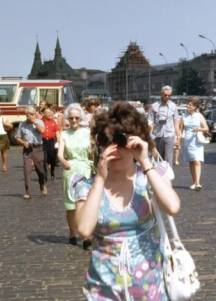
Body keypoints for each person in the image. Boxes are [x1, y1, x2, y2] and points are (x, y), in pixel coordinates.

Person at [70, 102, 180, 300]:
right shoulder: (88, 186)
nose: (113, 149)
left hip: (150, 290)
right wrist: (100, 179)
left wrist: (145, 162)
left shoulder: (149, 177)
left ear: (136, 141)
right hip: (103, 291)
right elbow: (84, 230)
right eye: (105, 140)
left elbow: (172, 207)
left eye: (120, 141)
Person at [58, 103, 93, 247]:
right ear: (67, 118)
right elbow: (60, 154)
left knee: (85, 203)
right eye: (71, 118)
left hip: (86, 170)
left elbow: (93, 151)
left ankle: (85, 236)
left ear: (81, 118)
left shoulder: (87, 132)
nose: (74, 120)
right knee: (71, 205)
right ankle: (72, 233)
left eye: (77, 118)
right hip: (71, 170)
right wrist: (63, 161)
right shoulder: (64, 134)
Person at [15, 107, 47, 200]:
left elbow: (42, 131)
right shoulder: (22, 124)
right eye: (27, 115)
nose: (28, 117)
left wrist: (35, 122)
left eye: (30, 115)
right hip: (27, 150)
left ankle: (42, 185)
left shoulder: (39, 122)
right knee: (27, 170)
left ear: (34, 115)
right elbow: (17, 137)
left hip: (38, 148)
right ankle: (28, 192)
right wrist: (23, 143)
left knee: (40, 171)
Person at [180, 96, 209, 190]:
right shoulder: (183, 116)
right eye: (188, 104)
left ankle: (198, 183)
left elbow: (206, 128)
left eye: (190, 104)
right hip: (188, 140)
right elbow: (181, 130)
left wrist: (199, 129)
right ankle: (194, 182)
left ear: (195, 107)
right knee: (191, 161)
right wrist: (178, 140)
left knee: (197, 160)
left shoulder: (199, 115)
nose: (188, 106)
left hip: (196, 141)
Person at [148, 86, 181, 166]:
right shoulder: (154, 106)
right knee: (158, 159)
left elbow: (176, 122)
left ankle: (168, 173)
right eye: (165, 95)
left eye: (169, 95)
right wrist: (149, 136)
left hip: (169, 134)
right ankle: (159, 173)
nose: (167, 97)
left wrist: (178, 137)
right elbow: (150, 122)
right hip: (157, 134)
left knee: (168, 159)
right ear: (161, 93)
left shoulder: (173, 106)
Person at [41, 106, 61, 181]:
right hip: (43, 142)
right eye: (47, 113)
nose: (49, 114)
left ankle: (52, 172)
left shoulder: (53, 121)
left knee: (52, 159)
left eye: (50, 112)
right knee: (44, 159)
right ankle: (45, 175)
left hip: (51, 142)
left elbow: (57, 131)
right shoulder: (40, 121)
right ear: (43, 114)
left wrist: (58, 140)